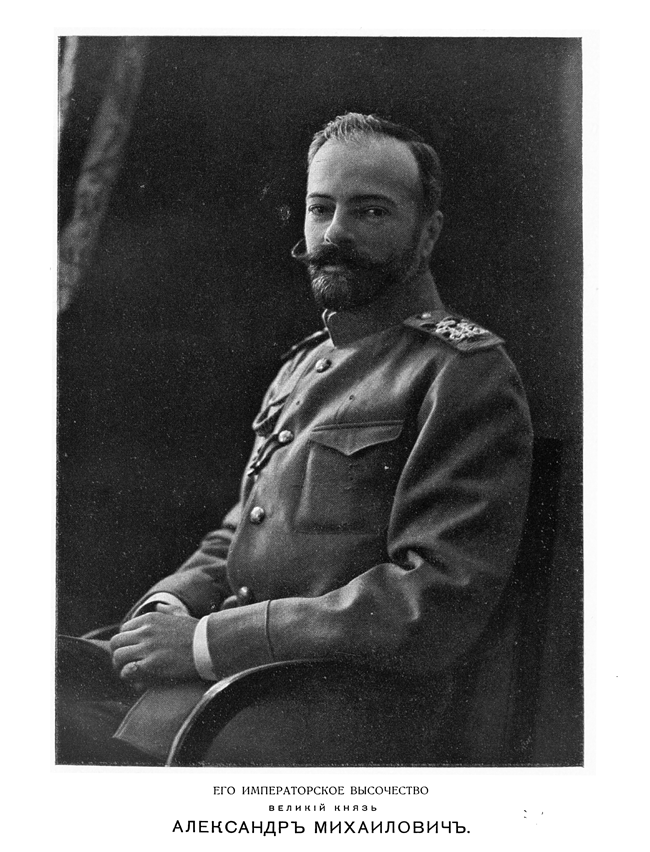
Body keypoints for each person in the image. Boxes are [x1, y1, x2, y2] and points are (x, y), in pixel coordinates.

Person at [57, 112, 533, 766]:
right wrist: (168, 608)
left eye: (370, 211)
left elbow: (432, 599)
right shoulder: (306, 364)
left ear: (427, 233)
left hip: (317, 720)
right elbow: (241, 535)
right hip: (215, 694)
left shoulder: (463, 374)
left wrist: (205, 642)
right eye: (320, 208)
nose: (334, 233)